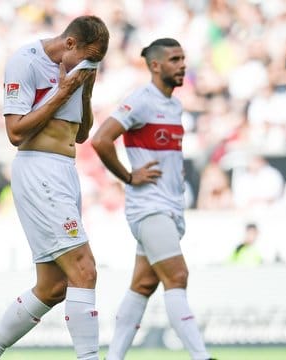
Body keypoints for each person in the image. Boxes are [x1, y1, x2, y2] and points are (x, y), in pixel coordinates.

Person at [0, 15, 109, 360]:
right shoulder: (25, 61)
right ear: (70, 43)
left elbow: (82, 133)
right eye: (89, 57)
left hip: (64, 171)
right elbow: (15, 133)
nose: (90, 65)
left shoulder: (78, 73)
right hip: (39, 169)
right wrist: (62, 93)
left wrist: (84, 89)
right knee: (84, 268)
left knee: (54, 286)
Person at [92, 38, 215, 360]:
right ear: (156, 65)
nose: (182, 65)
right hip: (149, 207)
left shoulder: (174, 105)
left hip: (171, 206)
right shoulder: (141, 100)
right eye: (175, 59)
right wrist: (128, 176)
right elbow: (101, 139)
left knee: (143, 285)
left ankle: (113, 358)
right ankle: (201, 356)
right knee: (177, 276)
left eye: (184, 58)